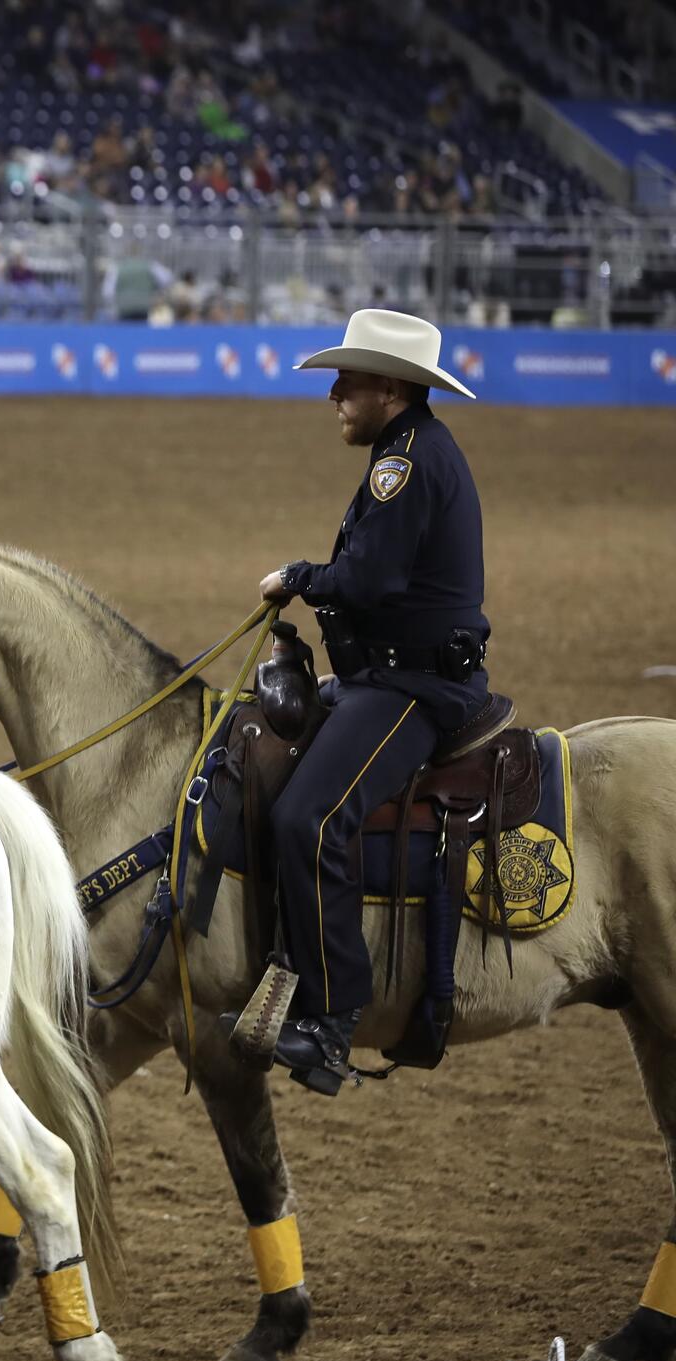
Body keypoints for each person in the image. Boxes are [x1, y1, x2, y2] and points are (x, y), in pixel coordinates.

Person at [254, 308, 489, 1084]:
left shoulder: (407, 462)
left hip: (414, 689)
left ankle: (329, 1017)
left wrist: (298, 578)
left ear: (389, 386)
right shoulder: (408, 448)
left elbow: (368, 580)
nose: (334, 395)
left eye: (346, 379)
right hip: (386, 676)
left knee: (308, 815)